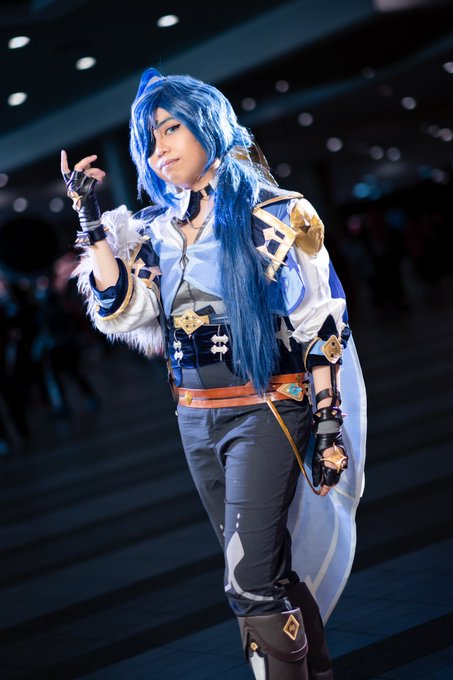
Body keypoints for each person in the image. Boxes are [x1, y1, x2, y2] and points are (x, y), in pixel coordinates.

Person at [61, 67, 367, 680]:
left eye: (171, 128)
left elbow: (321, 322)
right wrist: (91, 219)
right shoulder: (155, 229)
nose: (159, 148)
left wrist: (330, 424)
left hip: (267, 409)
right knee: (267, 570)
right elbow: (124, 309)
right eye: (149, 139)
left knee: (247, 581)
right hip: (195, 417)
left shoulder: (273, 213)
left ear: (207, 123)